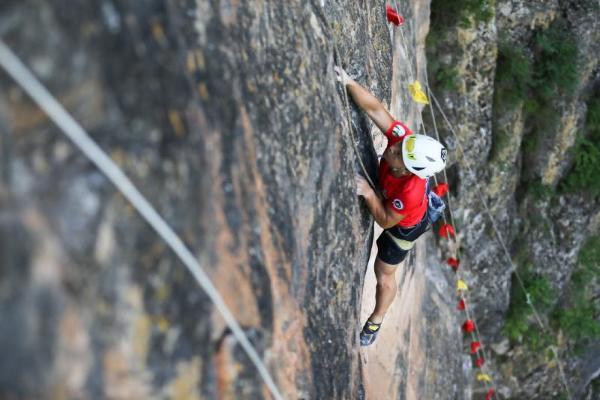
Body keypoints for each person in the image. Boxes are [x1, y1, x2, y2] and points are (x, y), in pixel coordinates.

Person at [335, 66, 447, 346]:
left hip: (405, 227)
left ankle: (375, 320)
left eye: (399, 154)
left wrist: (368, 194)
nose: (392, 148)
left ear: (412, 170)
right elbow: (375, 110)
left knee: (383, 273)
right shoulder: (404, 141)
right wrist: (348, 82)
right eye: (398, 147)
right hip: (396, 206)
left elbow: (386, 220)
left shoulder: (409, 192)